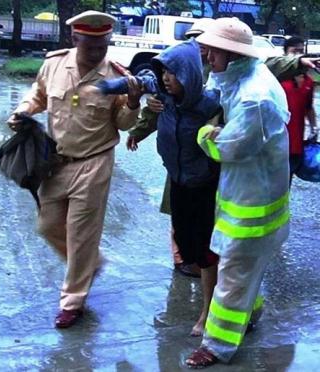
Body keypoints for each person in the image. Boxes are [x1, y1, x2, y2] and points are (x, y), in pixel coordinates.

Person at [7, 10, 142, 329]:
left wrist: (134, 103)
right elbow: (38, 96)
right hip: (55, 162)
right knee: (48, 226)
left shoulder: (116, 76)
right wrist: (23, 112)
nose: (97, 53)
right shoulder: (54, 64)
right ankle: (90, 264)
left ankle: (72, 301)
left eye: (103, 46)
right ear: (75, 39)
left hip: (94, 163)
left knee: (81, 235)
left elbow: (122, 124)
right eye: (90, 46)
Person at [185, 18, 291, 368]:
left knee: (233, 273)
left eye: (213, 51)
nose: (208, 56)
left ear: (231, 54)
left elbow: (226, 148)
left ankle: (216, 345)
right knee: (245, 271)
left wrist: (204, 134)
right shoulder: (244, 78)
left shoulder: (254, 98)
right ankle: (251, 314)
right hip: (250, 196)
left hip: (252, 208)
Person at [100, 37, 221, 337]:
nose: (166, 78)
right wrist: (138, 132)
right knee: (184, 242)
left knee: (206, 252)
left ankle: (208, 312)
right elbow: (150, 109)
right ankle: (211, 286)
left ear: (190, 74)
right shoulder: (163, 99)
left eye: (173, 72)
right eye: (163, 71)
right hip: (177, 180)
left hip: (204, 185)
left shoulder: (209, 105)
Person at [126, 18, 216, 279]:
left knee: (201, 225)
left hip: (201, 170)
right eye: (193, 38)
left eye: (202, 40)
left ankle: (199, 261)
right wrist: (140, 130)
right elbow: (157, 107)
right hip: (177, 165)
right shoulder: (176, 68)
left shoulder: (218, 76)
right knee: (179, 216)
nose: (197, 44)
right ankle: (184, 258)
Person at [280, 36, 318, 184]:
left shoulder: (309, 81)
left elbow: (308, 108)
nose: (298, 55)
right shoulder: (279, 78)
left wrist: (314, 128)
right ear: (285, 54)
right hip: (277, 143)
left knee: (287, 185)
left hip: (296, 143)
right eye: (294, 51)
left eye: (301, 51)